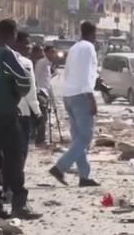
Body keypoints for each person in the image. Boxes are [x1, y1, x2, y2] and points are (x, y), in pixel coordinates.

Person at [0, 19, 41, 220]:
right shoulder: (7, 54)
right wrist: (16, 94)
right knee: (14, 158)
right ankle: (19, 204)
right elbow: (23, 79)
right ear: (13, 33)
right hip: (6, 113)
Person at [49, 21, 100, 188]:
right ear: (93, 33)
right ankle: (60, 167)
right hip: (81, 95)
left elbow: (70, 72)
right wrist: (91, 98)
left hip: (69, 94)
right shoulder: (88, 48)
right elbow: (86, 75)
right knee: (85, 137)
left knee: (78, 138)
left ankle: (84, 176)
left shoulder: (74, 48)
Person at [14, 32, 42, 165]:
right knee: (21, 149)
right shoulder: (26, 62)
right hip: (22, 113)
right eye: (26, 43)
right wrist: (37, 111)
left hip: (2, 112)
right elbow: (30, 90)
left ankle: (4, 180)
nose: (29, 46)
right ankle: (16, 180)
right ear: (16, 43)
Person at [34, 45, 57, 145]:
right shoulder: (42, 63)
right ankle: (40, 139)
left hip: (45, 92)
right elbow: (37, 78)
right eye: (51, 52)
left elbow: (47, 81)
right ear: (46, 52)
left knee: (45, 117)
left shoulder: (47, 65)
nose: (53, 54)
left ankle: (41, 138)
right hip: (41, 92)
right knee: (42, 117)